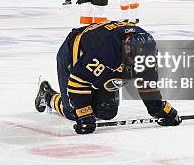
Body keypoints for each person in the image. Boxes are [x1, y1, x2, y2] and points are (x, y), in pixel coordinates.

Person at [35, 21, 181, 134]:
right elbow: (78, 81)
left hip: (100, 53)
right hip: (72, 55)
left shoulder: (145, 47)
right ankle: (48, 96)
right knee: (73, 112)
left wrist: (160, 109)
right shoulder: (106, 50)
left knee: (106, 112)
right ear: (127, 50)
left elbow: (147, 81)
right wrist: (83, 113)